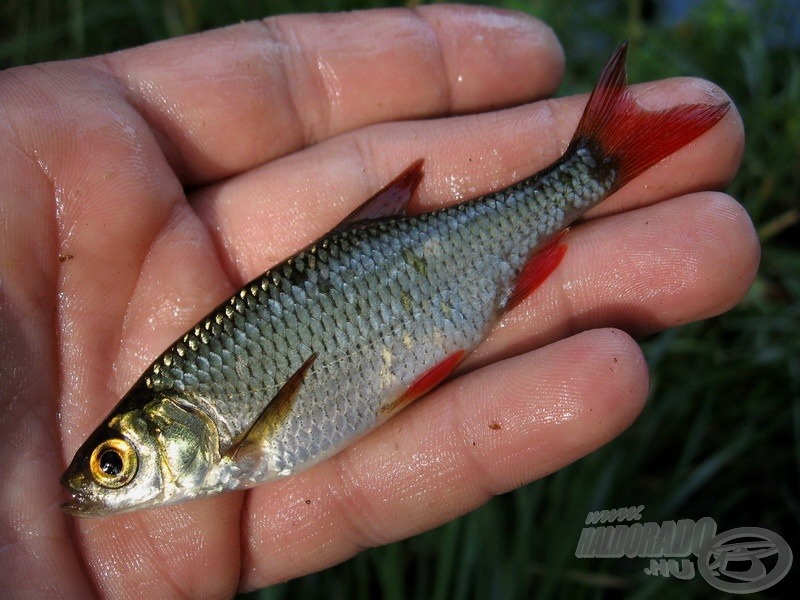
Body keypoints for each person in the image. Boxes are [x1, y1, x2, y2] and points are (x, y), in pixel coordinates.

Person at [0, 5, 757, 597]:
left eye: (111, 462)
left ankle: (592, 168)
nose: (102, 477)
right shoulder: (210, 443)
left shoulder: (222, 434)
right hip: (409, 285)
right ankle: (591, 167)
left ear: (174, 431)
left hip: (418, 275)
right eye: (111, 464)